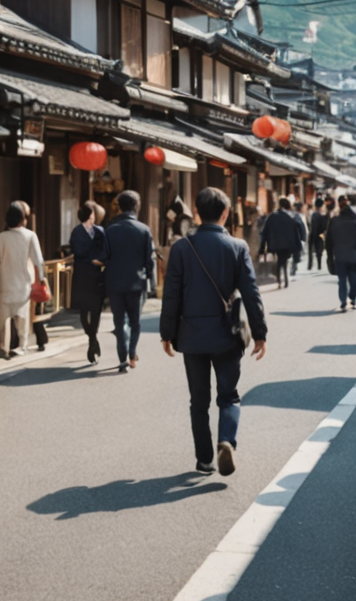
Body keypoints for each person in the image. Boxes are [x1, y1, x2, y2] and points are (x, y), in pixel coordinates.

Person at [159, 188, 269, 475]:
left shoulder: (183, 248)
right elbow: (251, 293)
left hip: (191, 336)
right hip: (226, 334)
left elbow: (171, 295)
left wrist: (166, 333)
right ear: (225, 213)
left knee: (199, 401)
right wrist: (260, 333)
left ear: (197, 212)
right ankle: (226, 440)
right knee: (229, 395)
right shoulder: (237, 246)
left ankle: (205, 459)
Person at [97, 190, 156, 373]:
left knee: (119, 321)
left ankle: (122, 358)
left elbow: (104, 256)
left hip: (114, 282)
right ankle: (132, 354)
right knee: (135, 321)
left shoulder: (110, 230)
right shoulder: (144, 230)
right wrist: (147, 276)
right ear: (136, 206)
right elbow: (150, 260)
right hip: (136, 282)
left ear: (119, 207)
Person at [0, 200, 47, 358]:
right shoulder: (30, 236)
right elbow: (38, 260)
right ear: (23, 220)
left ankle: (3, 346)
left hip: (4, 282)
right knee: (22, 318)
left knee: (4, 318)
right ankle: (22, 345)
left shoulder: (0, 238)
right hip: (23, 284)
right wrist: (42, 278)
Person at [68, 201, 108, 363]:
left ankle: (92, 341)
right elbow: (77, 250)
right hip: (83, 275)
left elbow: (105, 249)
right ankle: (93, 339)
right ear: (91, 215)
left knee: (96, 310)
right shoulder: (77, 232)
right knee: (84, 312)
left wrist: (101, 260)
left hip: (95, 274)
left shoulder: (100, 231)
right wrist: (93, 257)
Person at [326, 194, 356, 311]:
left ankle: (343, 301)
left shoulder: (334, 222)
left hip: (339, 254)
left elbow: (328, 240)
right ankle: (352, 298)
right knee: (354, 277)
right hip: (354, 254)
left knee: (342, 279)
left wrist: (329, 255)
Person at [256, 196, 305, 289]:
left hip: (276, 243)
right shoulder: (292, 216)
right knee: (284, 259)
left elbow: (265, 232)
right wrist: (300, 241)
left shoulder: (272, 216)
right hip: (289, 243)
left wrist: (262, 247)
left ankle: (280, 279)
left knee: (280, 259)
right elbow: (300, 228)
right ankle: (284, 277)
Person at [307, 197, 330, 271]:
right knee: (319, 250)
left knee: (311, 250)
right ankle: (318, 265)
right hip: (320, 234)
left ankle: (310, 265)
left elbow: (312, 225)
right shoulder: (325, 215)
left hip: (313, 234)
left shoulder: (314, 214)